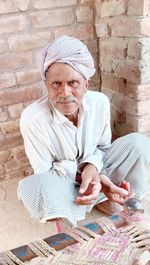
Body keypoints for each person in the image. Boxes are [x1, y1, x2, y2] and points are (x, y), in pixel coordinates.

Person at [17, 36, 150, 228]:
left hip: (99, 172)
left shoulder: (100, 102)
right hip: (65, 184)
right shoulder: (33, 119)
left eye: (73, 83)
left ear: (86, 84)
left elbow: (104, 148)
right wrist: (85, 173)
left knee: (138, 143)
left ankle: (109, 199)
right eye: (56, 84)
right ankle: (71, 213)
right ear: (46, 84)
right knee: (37, 187)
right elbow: (45, 172)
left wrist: (94, 169)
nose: (65, 92)